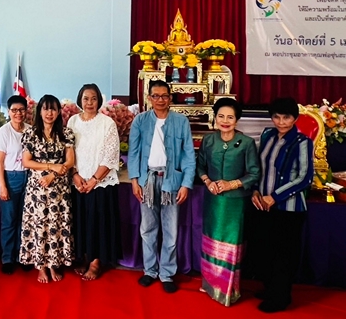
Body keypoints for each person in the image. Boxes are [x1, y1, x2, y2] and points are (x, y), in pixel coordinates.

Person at [127, 79, 196, 293]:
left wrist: (186, 184)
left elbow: (189, 155)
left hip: (171, 181)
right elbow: (133, 152)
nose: (160, 100)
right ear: (149, 98)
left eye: (164, 96)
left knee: (170, 230)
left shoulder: (181, 121)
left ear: (170, 98)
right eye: (155, 96)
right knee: (148, 228)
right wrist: (134, 180)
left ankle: (167, 273)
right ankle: (150, 271)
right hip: (147, 180)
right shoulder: (140, 120)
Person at [249, 97, 314, 313]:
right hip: (263, 206)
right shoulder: (267, 135)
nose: (281, 122)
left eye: (286, 117)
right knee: (265, 250)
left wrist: (275, 197)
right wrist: (255, 189)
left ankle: (280, 298)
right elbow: (258, 167)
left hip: (289, 209)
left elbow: (305, 178)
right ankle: (270, 289)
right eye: (276, 117)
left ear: (295, 118)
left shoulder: (302, 142)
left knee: (284, 255)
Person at [197, 98, 260, 306]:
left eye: (230, 117)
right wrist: (208, 182)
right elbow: (200, 166)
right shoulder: (208, 140)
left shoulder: (247, 143)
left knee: (230, 246)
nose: (225, 121)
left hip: (235, 203)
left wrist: (231, 184)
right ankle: (210, 285)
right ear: (215, 118)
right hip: (213, 200)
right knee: (212, 242)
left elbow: (254, 174)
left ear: (237, 120)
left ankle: (227, 290)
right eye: (221, 116)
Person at [67, 84, 121, 281]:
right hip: (78, 182)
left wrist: (94, 180)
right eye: (85, 98)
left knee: (97, 223)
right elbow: (67, 150)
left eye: (93, 98)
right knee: (80, 221)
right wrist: (75, 175)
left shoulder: (107, 123)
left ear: (99, 100)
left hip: (100, 184)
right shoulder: (72, 121)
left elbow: (110, 155)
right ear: (80, 100)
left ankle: (96, 262)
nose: (89, 103)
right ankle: (83, 256)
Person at [20, 94, 75, 283]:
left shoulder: (66, 133)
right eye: (45, 109)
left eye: (53, 109)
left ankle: (54, 264)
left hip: (59, 189)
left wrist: (54, 174)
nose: (49, 113)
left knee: (56, 226)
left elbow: (70, 161)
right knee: (39, 225)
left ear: (59, 112)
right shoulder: (31, 133)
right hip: (38, 189)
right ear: (40, 111)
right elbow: (26, 162)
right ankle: (41, 266)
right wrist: (51, 167)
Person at [0, 95, 31, 274]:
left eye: (21, 110)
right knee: (9, 220)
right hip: (10, 177)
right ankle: (8, 258)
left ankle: (22, 256)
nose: (18, 113)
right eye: (14, 110)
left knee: (25, 220)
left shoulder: (31, 130)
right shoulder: (4, 132)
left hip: (29, 177)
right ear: (9, 111)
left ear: (26, 111)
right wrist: (3, 186)